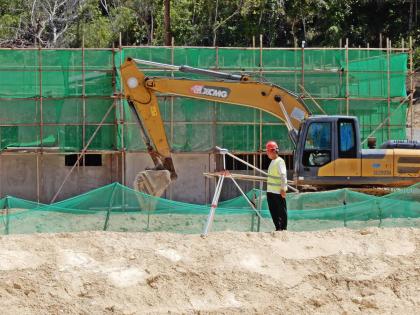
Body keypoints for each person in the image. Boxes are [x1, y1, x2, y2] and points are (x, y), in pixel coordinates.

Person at [265, 140, 288, 231]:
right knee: (273, 211)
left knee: (281, 211)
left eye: (267, 151)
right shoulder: (272, 162)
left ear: (273, 151)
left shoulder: (280, 161)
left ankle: (283, 228)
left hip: (278, 192)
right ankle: (278, 228)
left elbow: (283, 176)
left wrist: (283, 189)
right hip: (270, 191)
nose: (267, 153)